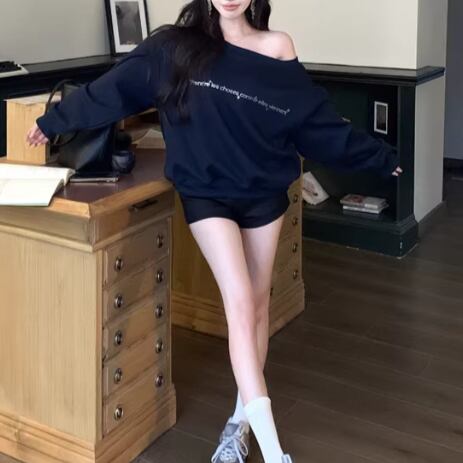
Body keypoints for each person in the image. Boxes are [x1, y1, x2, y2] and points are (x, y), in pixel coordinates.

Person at [26, 1, 402, 462]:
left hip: (262, 192)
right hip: (206, 194)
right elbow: (115, 88)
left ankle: (239, 423)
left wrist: (380, 158)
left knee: (257, 307)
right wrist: (53, 121)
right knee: (240, 302)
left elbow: (315, 124)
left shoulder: (276, 47)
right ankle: (275, 453)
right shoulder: (175, 49)